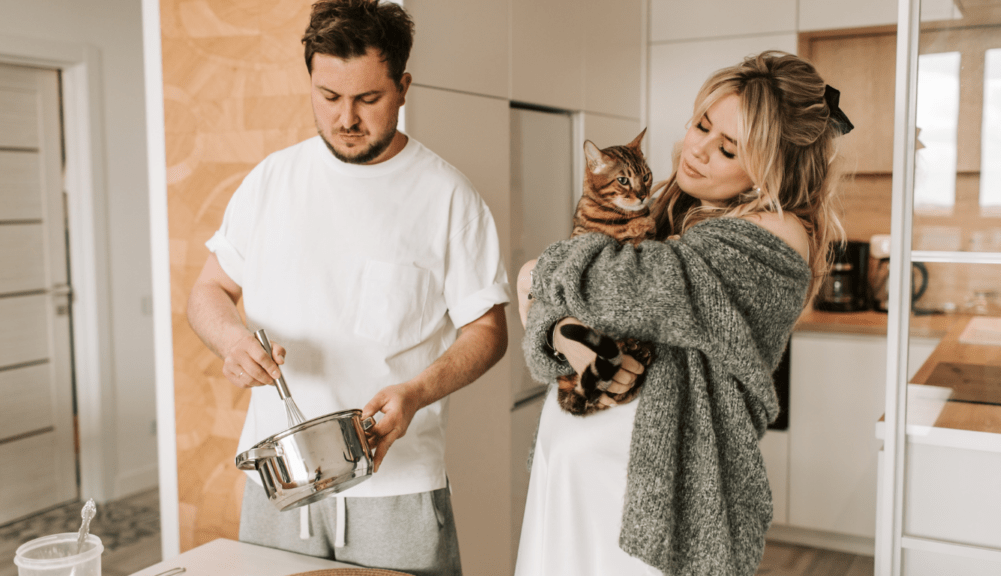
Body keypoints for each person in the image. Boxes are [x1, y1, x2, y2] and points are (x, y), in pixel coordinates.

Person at [186, 1, 510, 574]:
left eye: (368, 99)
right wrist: (232, 342)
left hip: (398, 483)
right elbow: (209, 290)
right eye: (328, 96)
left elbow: (487, 329)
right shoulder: (270, 182)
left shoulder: (448, 198)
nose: (346, 119)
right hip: (280, 484)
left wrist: (415, 392)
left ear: (403, 87)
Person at [515, 50, 851, 576]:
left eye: (728, 150)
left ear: (771, 170)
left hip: (655, 503)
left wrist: (539, 271)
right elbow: (568, 310)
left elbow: (629, 287)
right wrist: (561, 332)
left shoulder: (772, 238)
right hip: (581, 476)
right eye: (701, 125)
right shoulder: (676, 209)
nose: (697, 151)